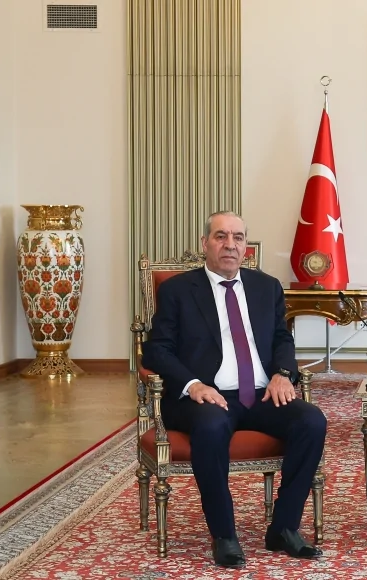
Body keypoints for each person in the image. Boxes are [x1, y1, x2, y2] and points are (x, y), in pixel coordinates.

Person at [142, 211, 327, 569]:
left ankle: (284, 528)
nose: (230, 245)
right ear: (205, 243)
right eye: (221, 236)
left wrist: (283, 374)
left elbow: (281, 339)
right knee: (211, 426)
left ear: (246, 247)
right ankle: (224, 535)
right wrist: (193, 385)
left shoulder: (266, 287)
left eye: (238, 238)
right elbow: (157, 350)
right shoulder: (179, 290)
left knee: (311, 421)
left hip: (260, 392)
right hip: (206, 395)